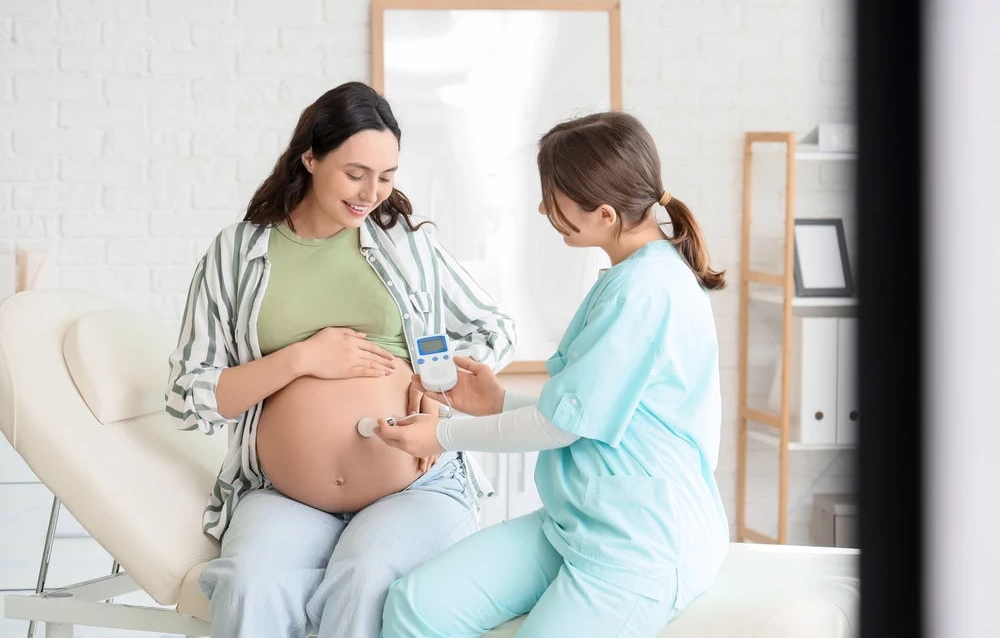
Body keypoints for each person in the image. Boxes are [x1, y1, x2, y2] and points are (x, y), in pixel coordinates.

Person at [163, 81, 516, 638]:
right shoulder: (237, 253)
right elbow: (189, 395)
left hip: (415, 486)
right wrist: (302, 358)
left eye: (387, 176)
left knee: (367, 577)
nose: (372, 192)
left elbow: (490, 327)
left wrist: (436, 382)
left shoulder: (408, 246)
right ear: (310, 156)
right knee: (250, 585)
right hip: (283, 494)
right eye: (355, 173)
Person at [375, 111, 729, 637]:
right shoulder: (632, 276)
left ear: (605, 213)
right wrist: (495, 403)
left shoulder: (646, 292)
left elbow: (564, 426)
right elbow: (589, 410)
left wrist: (444, 433)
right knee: (415, 607)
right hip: (578, 522)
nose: (543, 208)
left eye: (554, 197)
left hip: (639, 545)